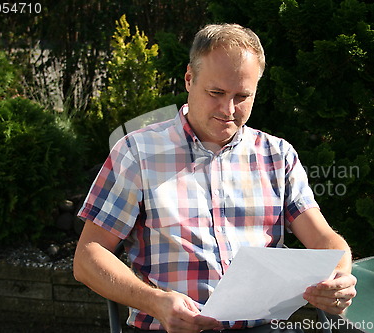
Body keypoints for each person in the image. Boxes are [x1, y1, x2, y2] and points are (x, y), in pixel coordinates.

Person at [73, 23, 357, 333]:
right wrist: (155, 301)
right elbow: (89, 256)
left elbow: (323, 239)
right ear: (189, 79)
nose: (228, 109)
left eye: (242, 96)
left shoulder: (277, 155)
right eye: (216, 93)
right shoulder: (137, 152)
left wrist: (340, 276)